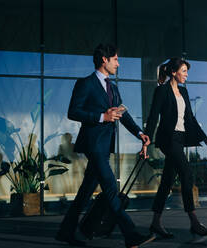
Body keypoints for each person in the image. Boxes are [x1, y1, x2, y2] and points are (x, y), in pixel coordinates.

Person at [55, 44, 154, 248]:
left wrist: (139, 133)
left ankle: (66, 232)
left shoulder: (113, 87)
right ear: (104, 60)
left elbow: (122, 114)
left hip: (104, 145)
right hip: (93, 144)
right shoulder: (86, 83)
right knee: (110, 187)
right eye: (116, 59)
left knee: (85, 191)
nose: (118, 63)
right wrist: (102, 116)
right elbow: (73, 111)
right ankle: (131, 235)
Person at [145, 58, 207, 239]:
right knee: (186, 174)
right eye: (184, 71)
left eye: (187, 71)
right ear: (173, 72)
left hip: (180, 139)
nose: (186, 75)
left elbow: (191, 119)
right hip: (168, 139)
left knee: (167, 181)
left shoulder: (184, 92)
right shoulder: (161, 91)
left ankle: (155, 222)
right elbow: (153, 116)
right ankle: (194, 222)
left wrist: (206, 139)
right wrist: (146, 139)